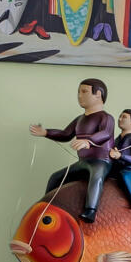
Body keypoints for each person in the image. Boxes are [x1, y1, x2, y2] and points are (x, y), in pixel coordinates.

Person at [30, 77, 119, 219]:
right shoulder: (80, 119)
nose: (79, 95)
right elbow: (66, 134)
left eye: (84, 92)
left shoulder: (106, 118)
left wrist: (88, 141)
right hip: (83, 162)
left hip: (101, 161)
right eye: (79, 92)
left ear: (98, 95)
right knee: (56, 177)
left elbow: (105, 133)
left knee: (96, 177)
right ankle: (46, 205)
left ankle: (91, 210)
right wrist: (46, 132)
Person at [109, 108, 131, 207]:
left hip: (128, 168)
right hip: (115, 168)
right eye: (120, 116)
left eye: (124, 117)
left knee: (126, 176)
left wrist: (121, 156)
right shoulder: (117, 139)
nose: (120, 119)